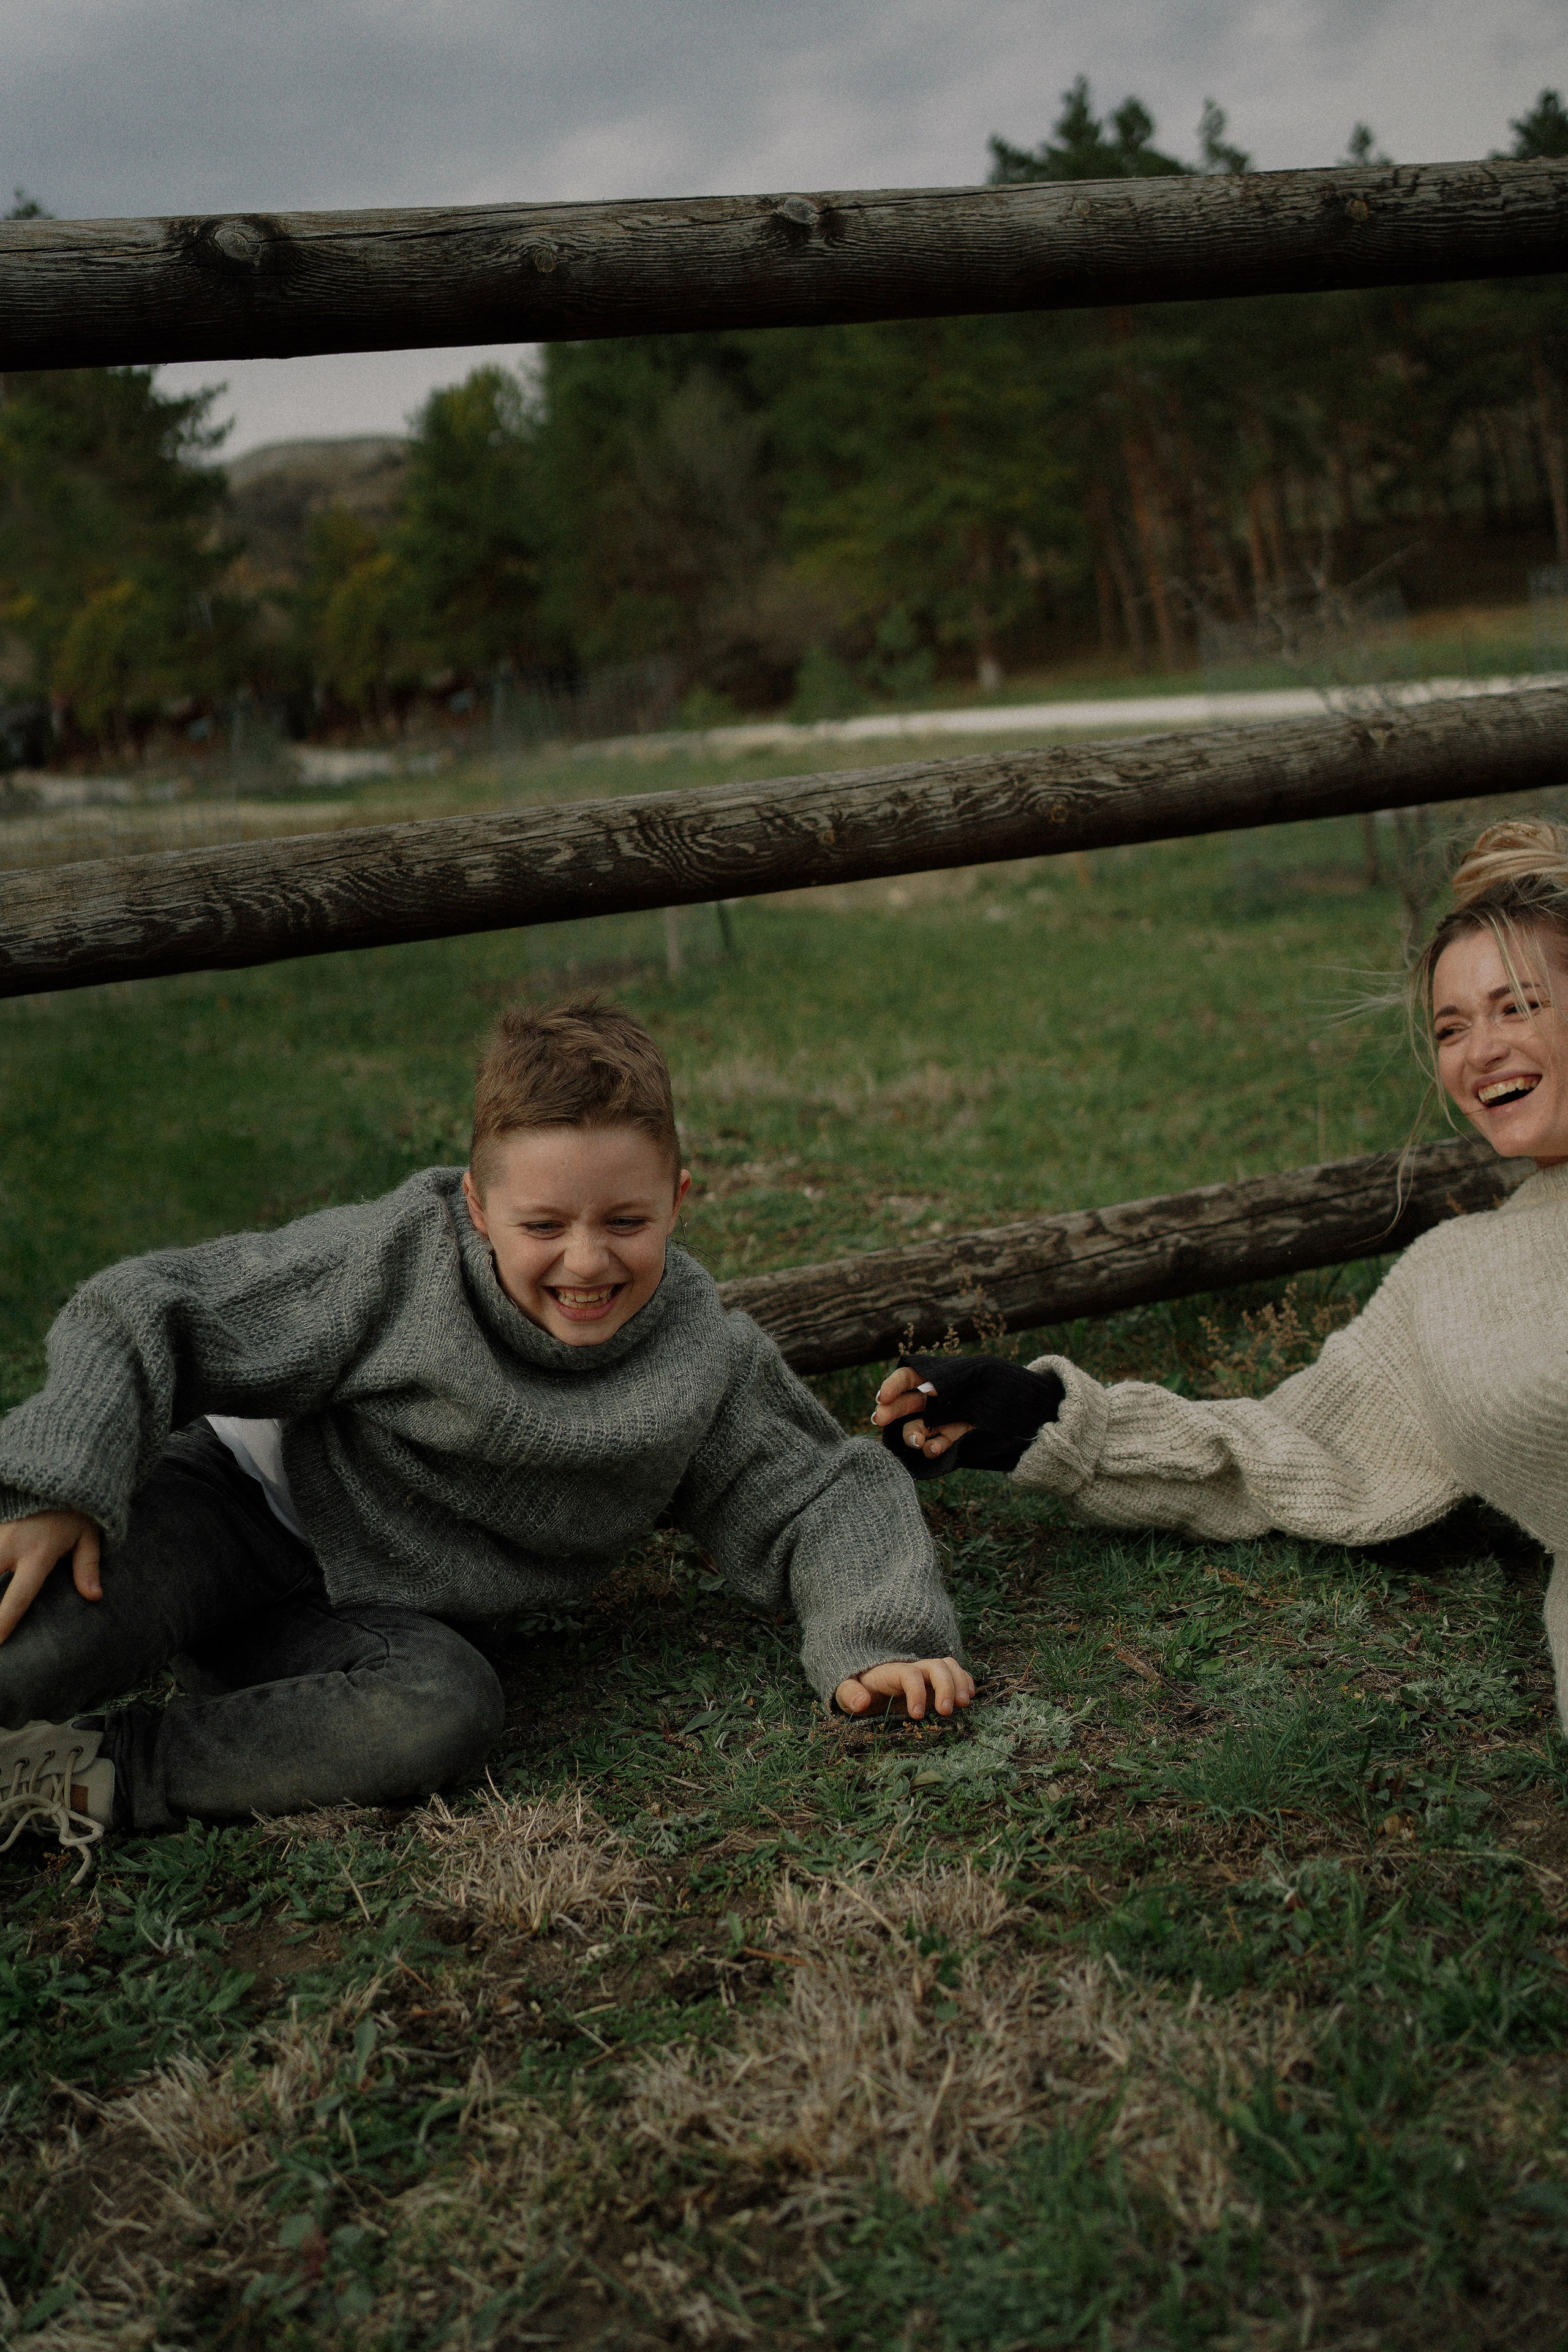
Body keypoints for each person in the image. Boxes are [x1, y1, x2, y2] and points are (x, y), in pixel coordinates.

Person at [0, 1000, 970, 1879]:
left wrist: (879, 1639)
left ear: (678, 1200)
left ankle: (74, 1779)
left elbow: (820, 1489)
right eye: (542, 1223)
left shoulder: (702, 1361)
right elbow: (150, 1305)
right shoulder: (394, 1260)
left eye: (627, 1220)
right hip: (234, 1508)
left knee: (444, 1711)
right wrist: (61, 1482)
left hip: (367, 1622)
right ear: (476, 1207)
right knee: (31, 1653)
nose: (586, 1259)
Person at [872, 816, 1568, 1728]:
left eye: (1518, 1007)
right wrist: (1035, 1417)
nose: (1480, 1052)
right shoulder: (1455, 1285)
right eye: (1451, 1027)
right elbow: (1281, 1452)